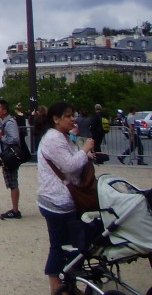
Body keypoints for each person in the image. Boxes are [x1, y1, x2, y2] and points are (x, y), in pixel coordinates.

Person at [37, 100, 98, 293]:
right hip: (57, 201)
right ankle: (58, 287)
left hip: (58, 199)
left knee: (66, 246)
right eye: (68, 115)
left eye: (73, 114)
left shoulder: (60, 136)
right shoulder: (54, 139)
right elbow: (70, 165)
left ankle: (65, 285)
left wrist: (84, 155)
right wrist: (85, 148)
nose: (73, 118)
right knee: (62, 246)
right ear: (56, 119)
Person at [0, 99, 23, 218]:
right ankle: (15, 209)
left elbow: (14, 139)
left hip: (11, 156)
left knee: (12, 182)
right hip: (7, 156)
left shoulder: (9, 123)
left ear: (4, 110)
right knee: (11, 182)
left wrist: (2, 137)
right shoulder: (5, 122)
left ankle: (15, 210)